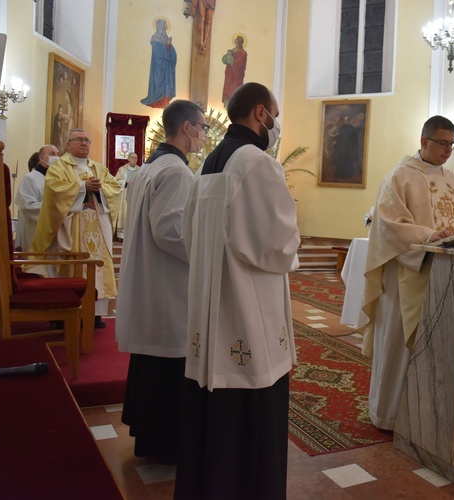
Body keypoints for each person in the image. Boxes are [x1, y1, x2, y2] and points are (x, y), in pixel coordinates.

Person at [175, 82, 299, 499]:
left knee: (213, 408)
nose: (276, 124)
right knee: (251, 396)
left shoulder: (208, 163)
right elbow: (277, 244)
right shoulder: (257, 163)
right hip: (248, 309)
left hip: (212, 308)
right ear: (260, 113)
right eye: (275, 114)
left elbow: (188, 237)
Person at [359, 115, 454, 431]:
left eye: (451, 144)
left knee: (436, 350)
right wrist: (428, 235)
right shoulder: (400, 177)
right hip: (408, 275)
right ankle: (388, 414)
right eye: (441, 143)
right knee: (399, 347)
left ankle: (423, 416)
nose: (447, 150)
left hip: (447, 278)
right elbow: (388, 225)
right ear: (424, 141)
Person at [116, 99, 204, 465]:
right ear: (186, 128)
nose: (203, 135)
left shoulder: (151, 167)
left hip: (151, 278)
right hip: (167, 284)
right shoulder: (175, 172)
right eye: (201, 127)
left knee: (155, 355)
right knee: (168, 355)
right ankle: (166, 441)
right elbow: (170, 230)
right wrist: (206, 249)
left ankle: (149, 433)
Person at [30, 129, 121, 329]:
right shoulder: (58, 167)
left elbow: (114, 188)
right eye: (78, 140)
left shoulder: (98, 168)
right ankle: (68, 313)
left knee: (97, 269)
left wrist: (101, 189)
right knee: (74, 267)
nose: (84, 143)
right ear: (68, 144)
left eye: (87, 140)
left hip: (97, 222)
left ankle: (95, 314)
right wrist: (82, 187)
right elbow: (54, 190)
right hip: (71, 226)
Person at [15, 144, 59, 253]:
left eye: (58, 154)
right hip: (36, 231)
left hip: (56, 232)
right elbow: (27, 206)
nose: (57, 157)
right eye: (52, 154)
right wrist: (56, 207)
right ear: (41, 158)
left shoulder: (57, 179)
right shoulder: (30, 178)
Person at [141, 18, 177, 109]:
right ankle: (156, 102)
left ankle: (165, 102)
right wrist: (167, 45)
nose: (166, 26)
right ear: (161, 26)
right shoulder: (155, 38)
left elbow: (172, 53)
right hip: (158, 67)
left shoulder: (166, 38)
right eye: (165, 24)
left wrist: (169, 46)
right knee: (158, 84)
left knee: (166, 85)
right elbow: (159, 53)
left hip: (167, 69)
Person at [114, 153, 141, 240]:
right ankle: (122, 236)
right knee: (124, 213)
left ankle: (133, 235)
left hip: (136, 194)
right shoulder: (122, 169)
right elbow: (116, 181)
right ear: (128, 159)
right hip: (125, 194)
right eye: (132, 157)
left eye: (136, 158)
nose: (134, 159)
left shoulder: (140, 170)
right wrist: (125, 181)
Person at [221, 35, 248, 107]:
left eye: (236, 39)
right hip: (229, 76)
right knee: (227, 91)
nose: (235, 40)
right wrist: (228, 56)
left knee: (233, 92)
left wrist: (229, 57)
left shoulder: (243, 53)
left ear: (239, 42)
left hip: (236, 77)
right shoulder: (232, 50)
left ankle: (232, 106)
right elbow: (224, 59)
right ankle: (227, 106)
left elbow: (237, 63)